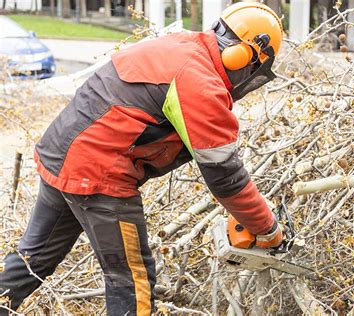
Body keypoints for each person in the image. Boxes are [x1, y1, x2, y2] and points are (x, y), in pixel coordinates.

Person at [0, 2, 284, 315]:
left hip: (62, 152)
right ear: (243, 56)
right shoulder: (199, 81)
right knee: (131, 280)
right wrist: (267, 227)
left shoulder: (182, 46)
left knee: (33, 259)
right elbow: (225, 175)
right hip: (99, 173)